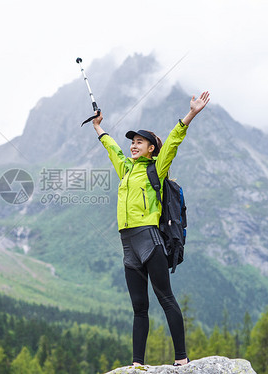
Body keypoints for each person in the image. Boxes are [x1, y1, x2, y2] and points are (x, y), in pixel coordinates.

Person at [92, 91, 210, 366]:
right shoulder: (126, 169)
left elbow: (172, 142)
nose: (133, 146)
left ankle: (181, 358)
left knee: (166, 298)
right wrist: (99, 127)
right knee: (139, 309)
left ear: (151, 149)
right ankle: (137, 364)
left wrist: (190, 114)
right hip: (128, 247)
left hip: (150, 241)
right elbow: (112, 149)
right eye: (132, 142)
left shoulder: (156, 169)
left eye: (139, 142)